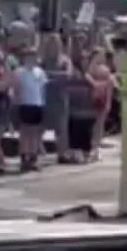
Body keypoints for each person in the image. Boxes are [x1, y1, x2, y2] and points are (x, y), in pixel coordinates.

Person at [40, 33, 74, 164]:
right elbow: (39, 74)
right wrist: (56, 76)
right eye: (50, 44)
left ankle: (62, 153)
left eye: (55, 44)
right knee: (40, 126)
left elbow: (68, 75)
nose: (53, 46)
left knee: (61, 127)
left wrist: (49, 75)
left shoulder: (65, 60)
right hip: (45, 96)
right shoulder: (42, 60)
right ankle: (37, 150)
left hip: (60, 96)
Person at [14, 47, 48, 172]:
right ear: (24, 58)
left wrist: (44, 104)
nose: (31, 59)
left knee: (35, 133)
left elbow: (43, 89)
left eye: (33, 56)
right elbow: (16, 89)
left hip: (37, 105)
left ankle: (33, 158)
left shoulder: (40, 72)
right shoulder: (19, 72)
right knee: (24, 132)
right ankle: (24, 158)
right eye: (28, 56)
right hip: (24, 104)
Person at [85, 49, 113, 161]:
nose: (101, 57)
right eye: (98, 55)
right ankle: (91, 148)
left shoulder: (106, 69)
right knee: (92, 124)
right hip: (92, 98)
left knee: (100, 124)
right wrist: (94, 83)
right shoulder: (90, 68)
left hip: (103, 98)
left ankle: (97, 149)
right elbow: (87, 76)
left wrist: (109, 101)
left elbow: (110, 85)